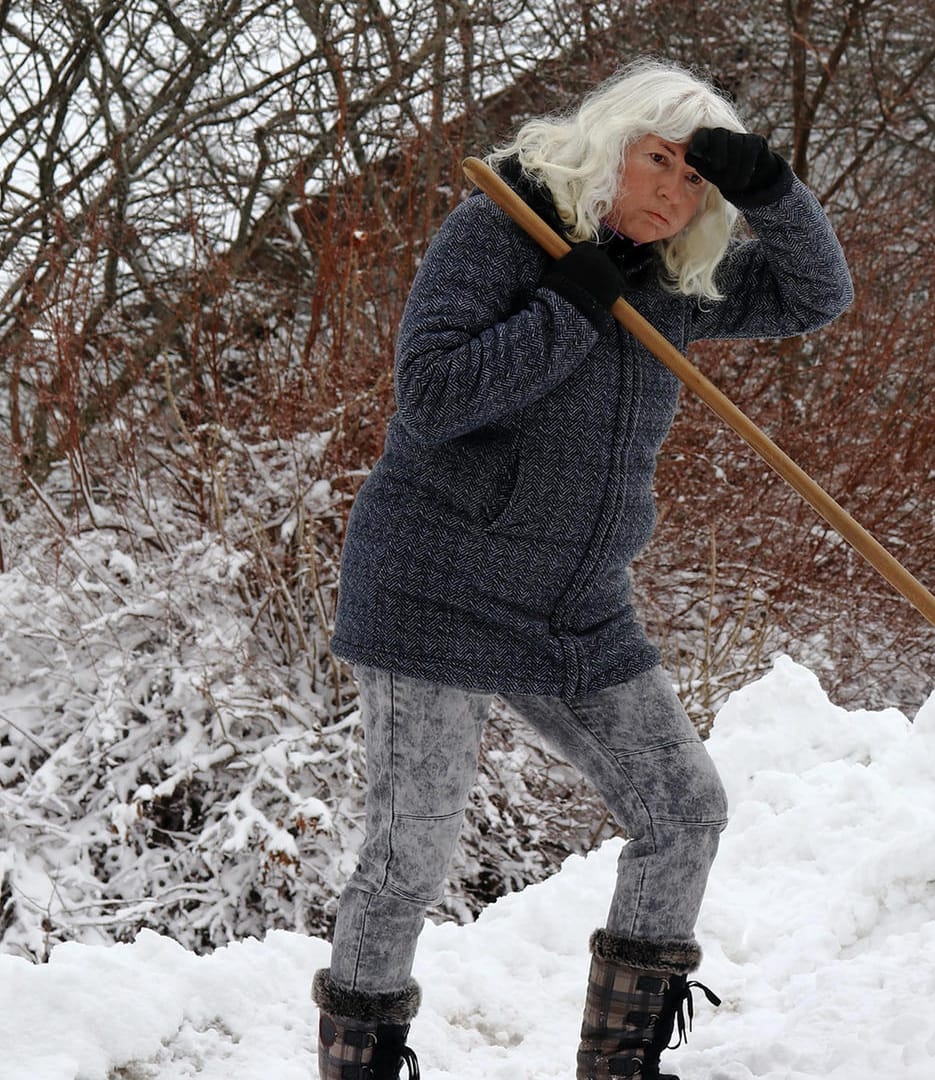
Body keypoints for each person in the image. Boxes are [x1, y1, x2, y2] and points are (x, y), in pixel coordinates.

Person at [313, 58, 853, 1080]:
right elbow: (432, 397)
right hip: (434, 591)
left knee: (684, 809)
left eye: (697, 181)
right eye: (659, 162)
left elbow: (816, 297)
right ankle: (359, 1066)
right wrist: (567, 302)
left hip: (576, 609)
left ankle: (621, 1065)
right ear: (610, 145)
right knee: (406, 857)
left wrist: (774, 191)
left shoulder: (678, 284)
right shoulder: (500, 230)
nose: (673, 192)